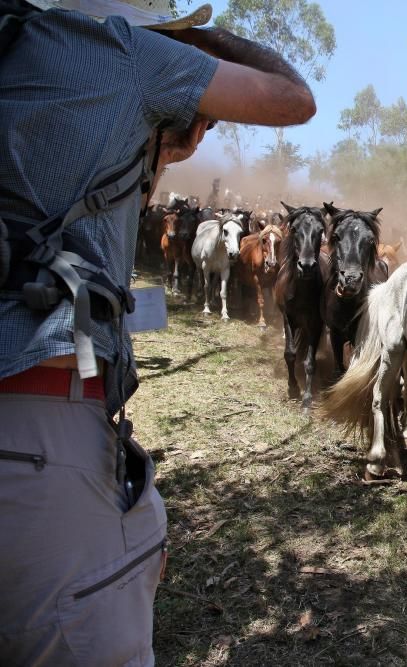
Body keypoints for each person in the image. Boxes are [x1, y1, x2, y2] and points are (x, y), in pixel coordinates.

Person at [0, 1, 316, 664]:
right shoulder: (122, 53)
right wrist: (196, 42)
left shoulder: (14, 45)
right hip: (39, 425)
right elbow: (294, 99)